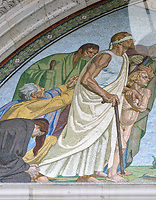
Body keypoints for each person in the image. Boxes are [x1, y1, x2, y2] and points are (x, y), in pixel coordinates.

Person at [38, 32, 134, 183]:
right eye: (129, 38)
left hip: (105, 104)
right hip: (91, 102)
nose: (132, 40)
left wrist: (128, 90)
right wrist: (106, 95)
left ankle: (85, 175)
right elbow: (86, 79)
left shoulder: (124, 58)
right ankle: (43, 172)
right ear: (118, 42)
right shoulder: (105, 56)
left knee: (99, 138)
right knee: (76, 138)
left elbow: (112, 83)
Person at [124, 41, 156, 167]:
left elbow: (149, 80)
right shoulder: (138, 51)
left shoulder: (153, 63)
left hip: (139, 104)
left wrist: (151, 77)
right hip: (126, 100)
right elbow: (125, 72)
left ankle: (123, 164)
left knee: (134, 132)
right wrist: (137, 68)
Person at [13, 43, 99, 100]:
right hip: (45, 99)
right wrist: (47, 74)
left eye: (94, 54)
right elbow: (28, 73)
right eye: (89, 52)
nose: (91, 56)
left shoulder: (87, 66)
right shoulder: (57, 59)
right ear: (80, 51)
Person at [107, 70, 151, 181]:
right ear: (136, 78)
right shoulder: (123, 91)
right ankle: (111, 175)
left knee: (120, 148)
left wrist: (131, 101)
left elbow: (142, 108)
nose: (148, 79)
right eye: (145, 77)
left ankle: (112, 170)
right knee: (121, 147)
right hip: (118, 122)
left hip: (129, 125)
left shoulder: (146, 91)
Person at [0, 118, 48, 183]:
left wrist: (27, 167)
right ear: (37, 127)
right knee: (24, 178)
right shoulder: (21, 130)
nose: (35, 136)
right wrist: (27, 168)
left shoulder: (22, 125)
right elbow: (8, 158)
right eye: (39, 134)